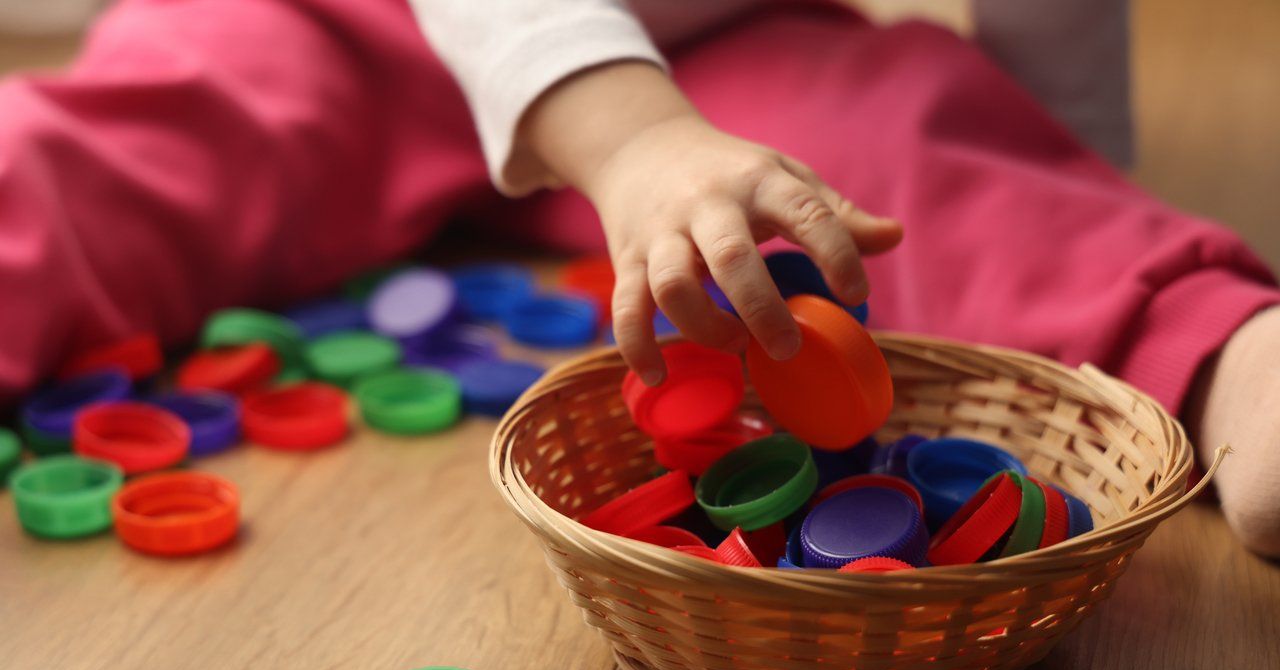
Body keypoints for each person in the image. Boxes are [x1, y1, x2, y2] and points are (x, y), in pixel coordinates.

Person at [0, 0, 1276, 554]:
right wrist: (629, 143)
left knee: (902, 145)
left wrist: (1077, 188)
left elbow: (1038, 60)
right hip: (334, 28)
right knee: (123, 146)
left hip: (714, 49)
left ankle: (1223, 350)